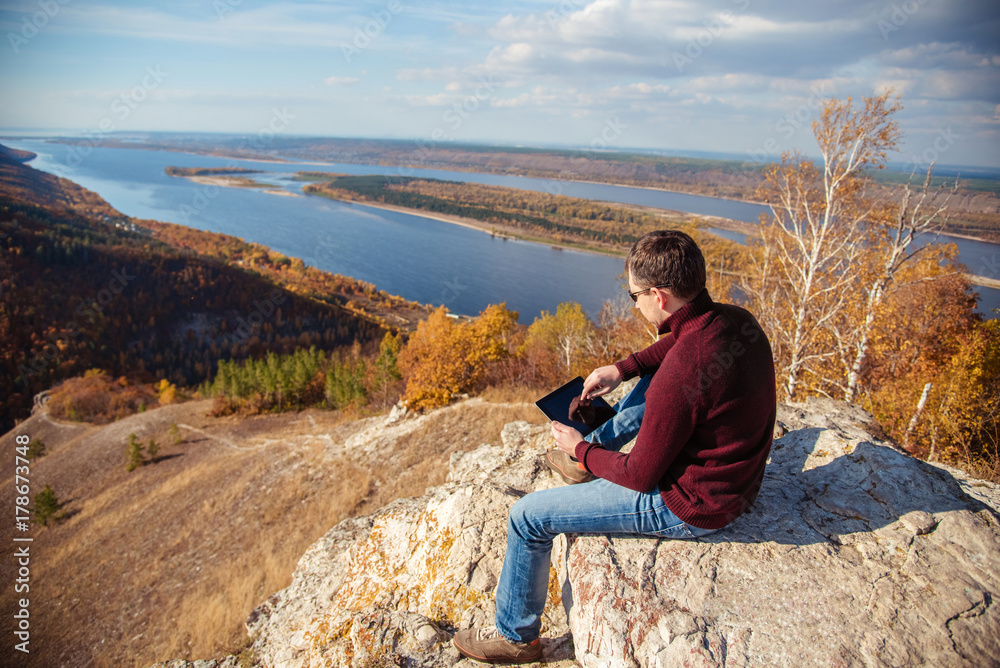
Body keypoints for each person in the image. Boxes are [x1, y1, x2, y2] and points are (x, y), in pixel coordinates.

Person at [452, 230, 777, 664]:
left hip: (694, 504)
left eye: (634, 295)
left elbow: (642, 475)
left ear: (658, 296)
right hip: (738, 481)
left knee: (527, 517)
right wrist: (622, 369)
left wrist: (581, 448)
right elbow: (678, 347)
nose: (635, 303)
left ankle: (516, 637)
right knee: (651, 377)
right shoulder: (737, 321)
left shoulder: (682, 372)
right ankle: (586, 461)